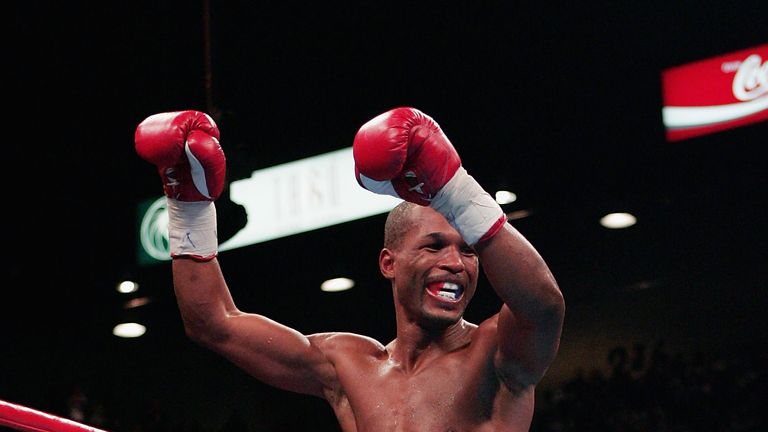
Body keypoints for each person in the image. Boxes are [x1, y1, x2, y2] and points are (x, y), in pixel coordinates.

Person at [134, 107, 565, 431]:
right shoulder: (349, 366)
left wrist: (455, 190)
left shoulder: (495, 354)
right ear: (388, 262)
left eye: (468, 250)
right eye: (433, 246)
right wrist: (187, 209)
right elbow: (213, 323)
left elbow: (542, 308)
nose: (454, 263)